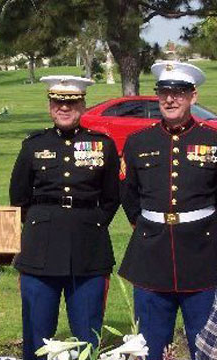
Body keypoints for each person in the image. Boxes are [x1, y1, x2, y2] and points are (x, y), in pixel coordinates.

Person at [9, 75, 120, 360]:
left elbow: (111, 197)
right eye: (58, 102)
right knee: (37, 336)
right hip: (40, 249)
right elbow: (19, 197)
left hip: (88, 250)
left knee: (86, 336)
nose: (64, 108)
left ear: (82, 105)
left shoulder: (103, 145)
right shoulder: (33, 145)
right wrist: (41, 223)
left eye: (71, 103)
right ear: (50, 106)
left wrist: (89, 223)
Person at [119, 61, 217, 360]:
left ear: (193, 97)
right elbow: (128, 194)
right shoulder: (138, 142)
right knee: (149, 348)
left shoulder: (213, 141)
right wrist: (147, 226)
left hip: (203, 256)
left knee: (205, 348)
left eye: (179, 92)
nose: (170, 99)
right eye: (163, 92)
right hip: (152, 256)